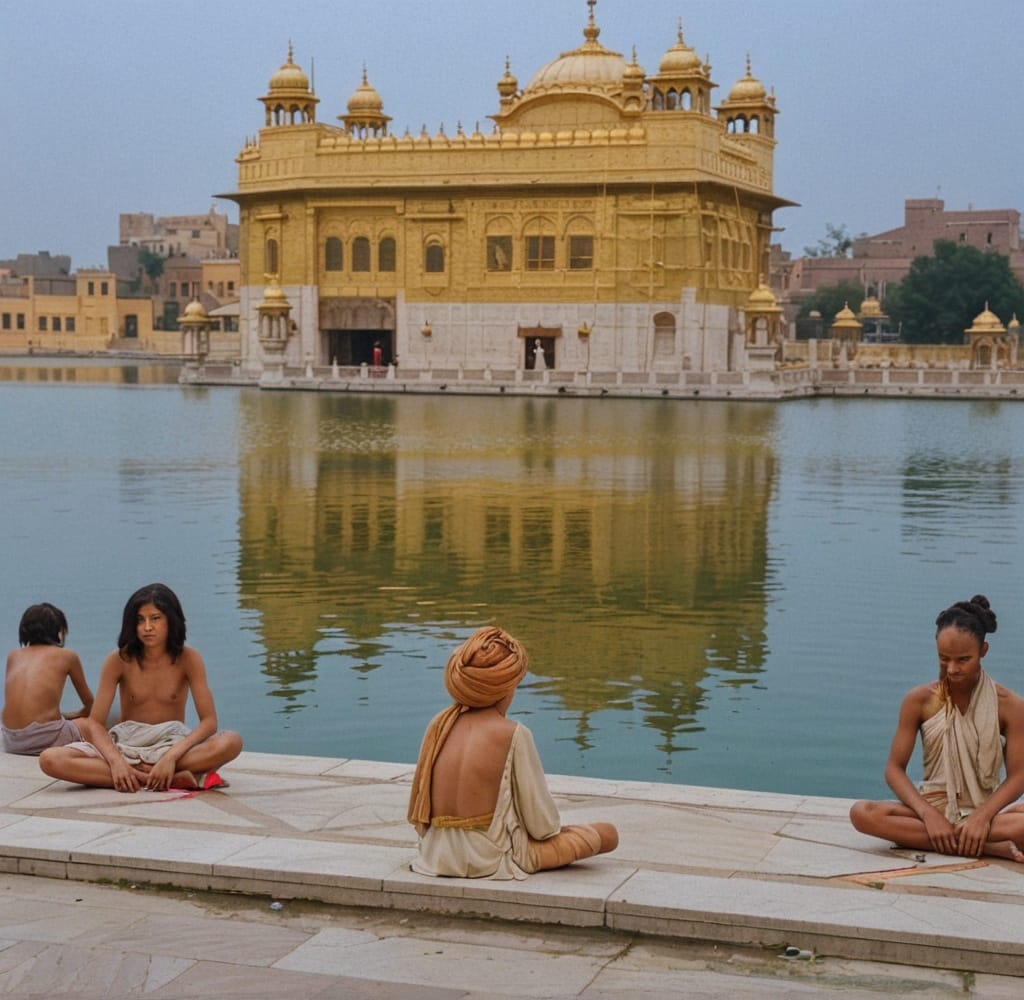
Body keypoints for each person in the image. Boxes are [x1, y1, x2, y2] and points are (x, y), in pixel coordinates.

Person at [407, 625, 618, 879]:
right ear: (506, 688)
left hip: (435, 855)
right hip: (491, 858)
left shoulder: (439, 725)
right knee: (607, 834)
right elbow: (543, 827)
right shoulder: (512, 733)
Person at [849, 595, 1024, 861]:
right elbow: (894, 769)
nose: (952, 669)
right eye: (944, 659)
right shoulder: (918, 700)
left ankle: (963, 837)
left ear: (983, 651)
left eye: (963, 659)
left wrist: (982, 817)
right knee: (862, 813)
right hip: (931, 809)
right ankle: (987, 847)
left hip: (984, 813)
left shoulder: (1010, 706)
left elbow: (1018, 777)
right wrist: (928, 814)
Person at [39, 584, 242, 792]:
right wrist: (116, 761)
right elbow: (95, 723)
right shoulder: (118, 660)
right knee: (50, 759)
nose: (147, 627)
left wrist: (171, 757)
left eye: (155, 618)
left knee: (231, 742)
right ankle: (152, 778)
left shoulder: (189, 659)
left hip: (170, 743)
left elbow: (209, 722)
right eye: (140, 620)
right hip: (125, 744)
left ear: (171, 620)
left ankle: (153, 772)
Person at [3, 603, 95, 755]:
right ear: (58, 631)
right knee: (91, 726)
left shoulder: (14, 655)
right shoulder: (67, 656)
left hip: (12, 740)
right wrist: (69, 717)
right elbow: (90, 706)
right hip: (45, 738)